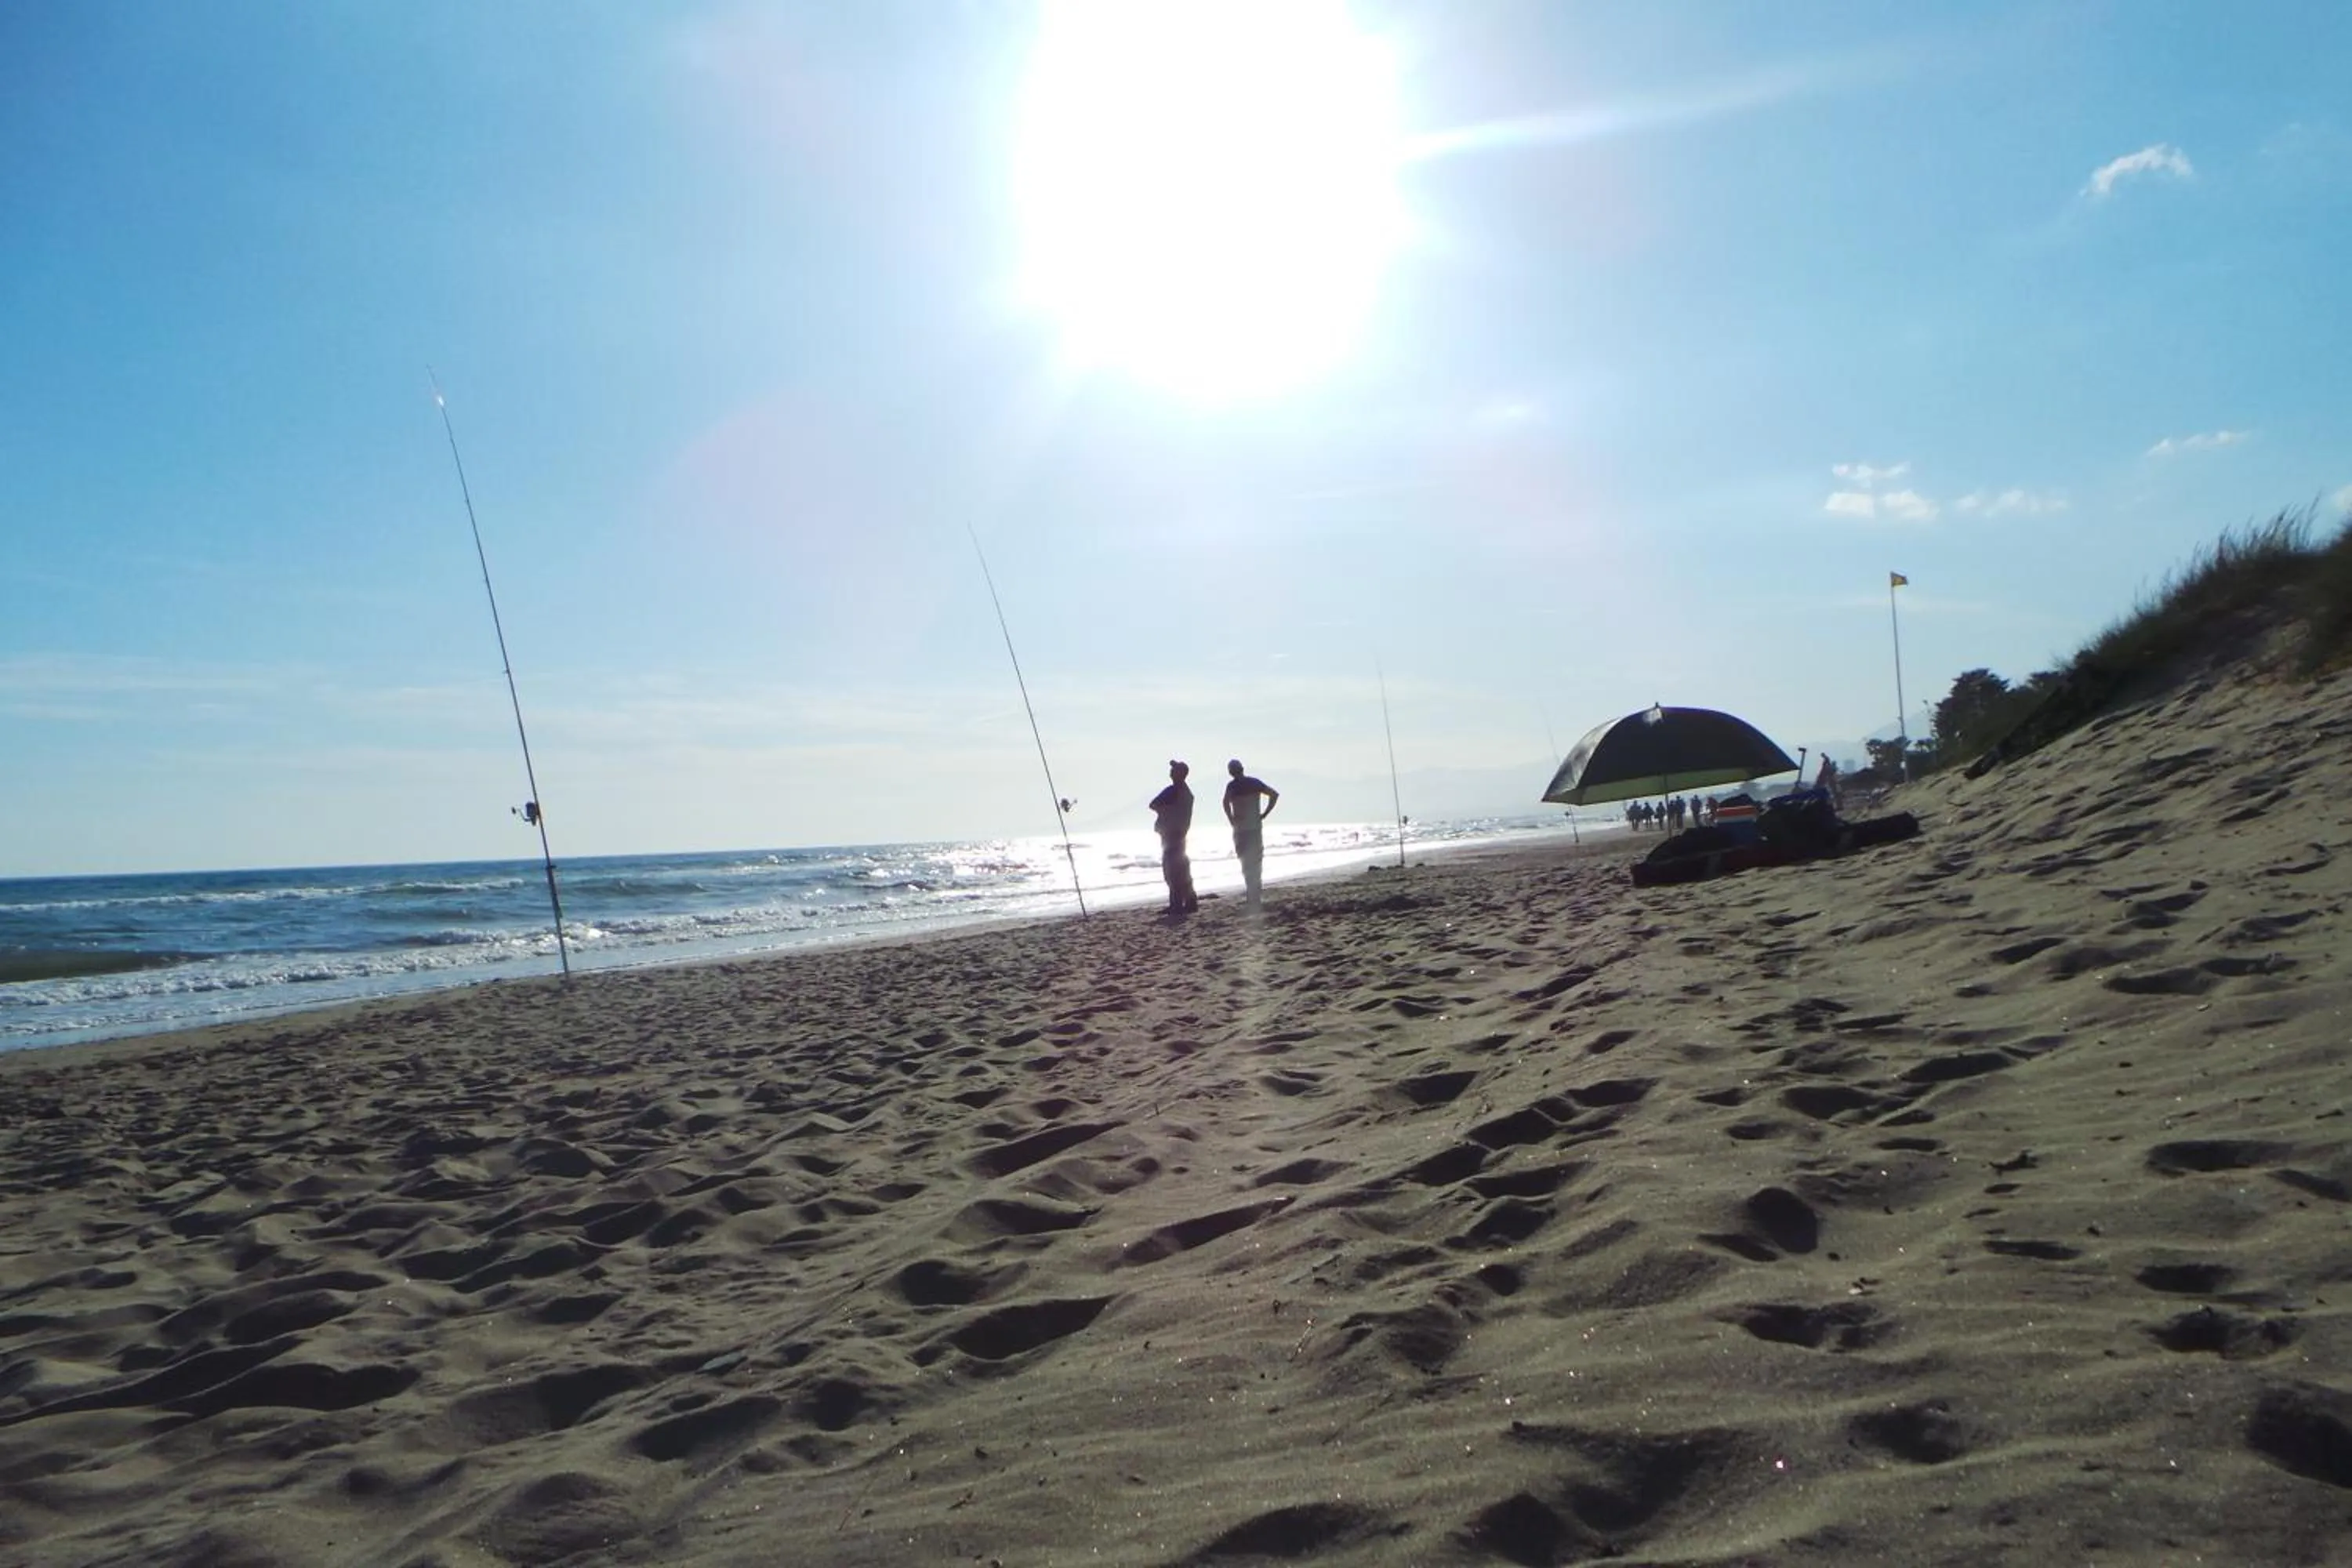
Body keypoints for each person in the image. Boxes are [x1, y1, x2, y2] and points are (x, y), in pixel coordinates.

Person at [1222, 759, 1280, 906]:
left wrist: (1231, 819)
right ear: (1242, 768)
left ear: (1230, 772)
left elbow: (1225, 803)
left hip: (1241, 829)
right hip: (1254, 827)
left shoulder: (1232, 786)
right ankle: (1255, 895)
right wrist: (1264, 814)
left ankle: (1252, 894)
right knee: (1256, 861)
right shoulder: (1254, 783)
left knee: (1245, 862)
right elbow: (1274, 795)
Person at [1149, 760, 1198, 913]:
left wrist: (1164, 812)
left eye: (1174, 769)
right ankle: (1189, 903)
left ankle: (1177, 905)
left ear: (1179, 774)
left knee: (1172, 871)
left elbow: (1154, 804)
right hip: (1179, 834)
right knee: (1181, 869)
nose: (1171, 771)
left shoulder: (1174, 791)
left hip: (1171, 834)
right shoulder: (1186, 792)